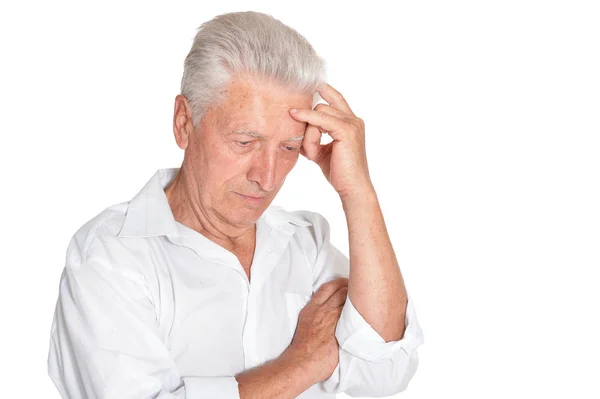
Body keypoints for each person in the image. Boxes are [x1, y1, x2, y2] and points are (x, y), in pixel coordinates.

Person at [47, 10, 424, 399]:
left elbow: (383, 370)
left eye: (289, 148)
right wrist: (302, 363)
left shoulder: (305, 244)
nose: (268, 177)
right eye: (245, 143)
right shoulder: (111, 256)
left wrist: (357, 190)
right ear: (183, 122)